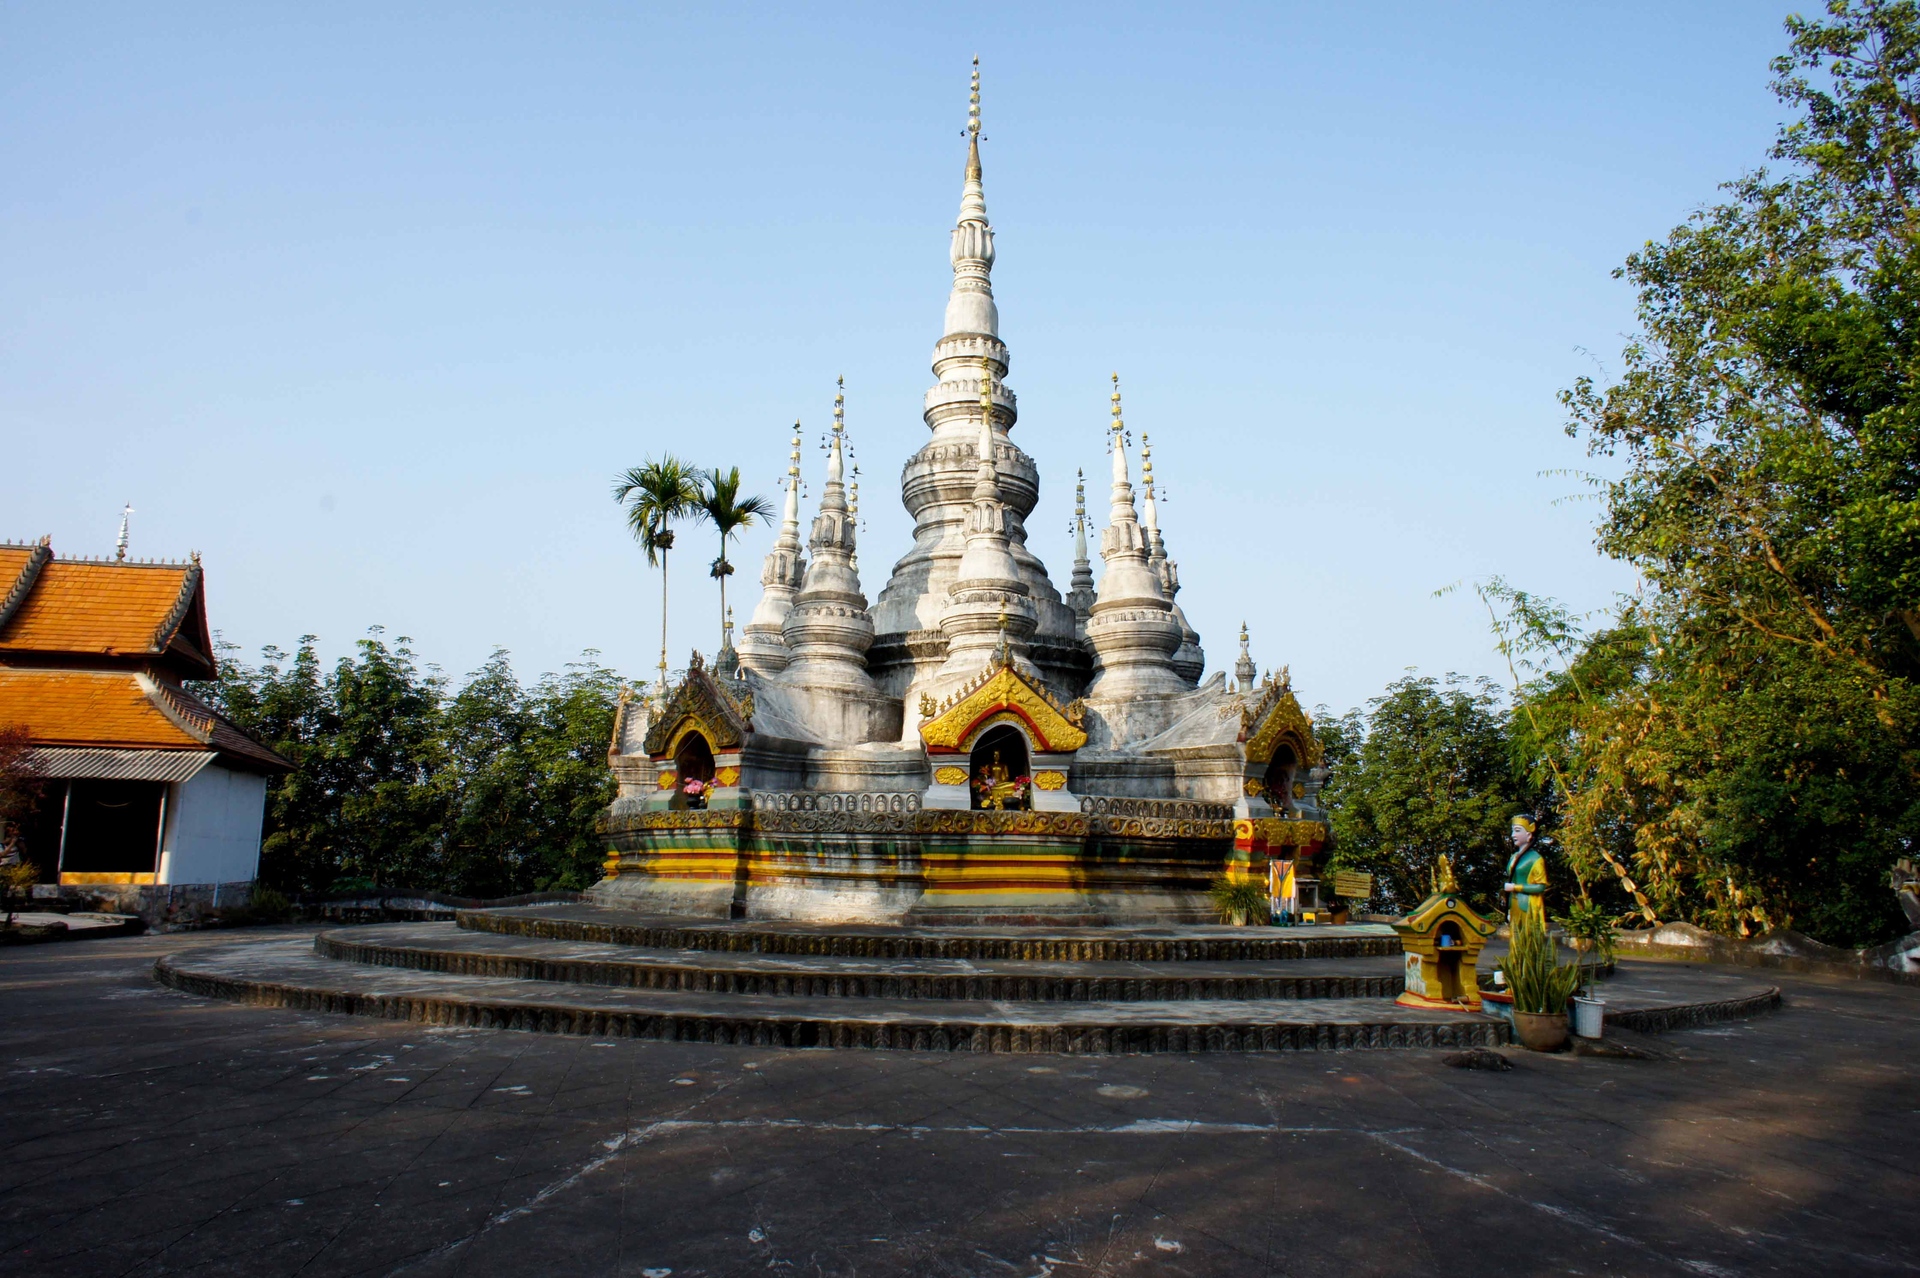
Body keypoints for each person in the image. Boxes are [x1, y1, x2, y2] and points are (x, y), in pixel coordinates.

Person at [1502, 815, 1547, 925]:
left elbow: (1541, 886)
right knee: (1515, 937)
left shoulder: (1535, 858)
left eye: (1517, 831)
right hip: (1513, 904)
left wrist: (1515, 887)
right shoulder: (1514, 856)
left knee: (1528, 938)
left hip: (1529, 904)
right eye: (1513, 831)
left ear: (1529, 834)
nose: (1513, 835)